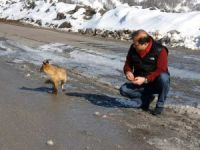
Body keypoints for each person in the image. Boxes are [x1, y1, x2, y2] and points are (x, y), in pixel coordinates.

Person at [120, 29, 170, 115]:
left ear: (145, 44)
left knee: (164, 77)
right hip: (139, 82)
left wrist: (145, 79)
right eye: (133, 44)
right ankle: (146, 99)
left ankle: (160, 105)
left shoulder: (160, 50)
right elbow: (128, 63)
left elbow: (161, 69)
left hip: (155, 83)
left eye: (136, 44)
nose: (134, 46)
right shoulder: (133, 48)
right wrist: (128, 71)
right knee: (124, 90)